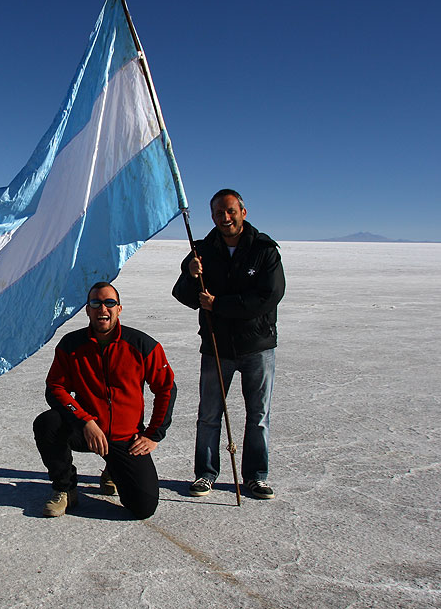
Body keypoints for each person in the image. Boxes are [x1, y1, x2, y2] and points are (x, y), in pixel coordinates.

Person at [172, 189, 285, 500]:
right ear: (212, 217)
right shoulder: (202, 251)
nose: (225, 217)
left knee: (258, 415)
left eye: (231, 211)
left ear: (243, 212)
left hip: (257, 346)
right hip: (216, 346)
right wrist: (190, 275)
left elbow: (269, 295)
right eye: (219, 212)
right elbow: (183, 295)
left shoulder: (264, 250)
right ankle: (205, 474)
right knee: (209, 414)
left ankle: (256, 477)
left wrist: (219, 305)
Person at [33, 282, 176, 519]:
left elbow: (166, 388)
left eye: (109, 303)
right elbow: (55, 388)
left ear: (119, 308)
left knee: (143, 507)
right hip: (86, 431)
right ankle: (65, 488)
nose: (103, 309)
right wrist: (85, 421)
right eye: (95, 303)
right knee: (47, 423)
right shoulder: (71, 345)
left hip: (125, 438)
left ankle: (113, 468)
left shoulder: (141, 345)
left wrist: (153, 434)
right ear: (87, 310)